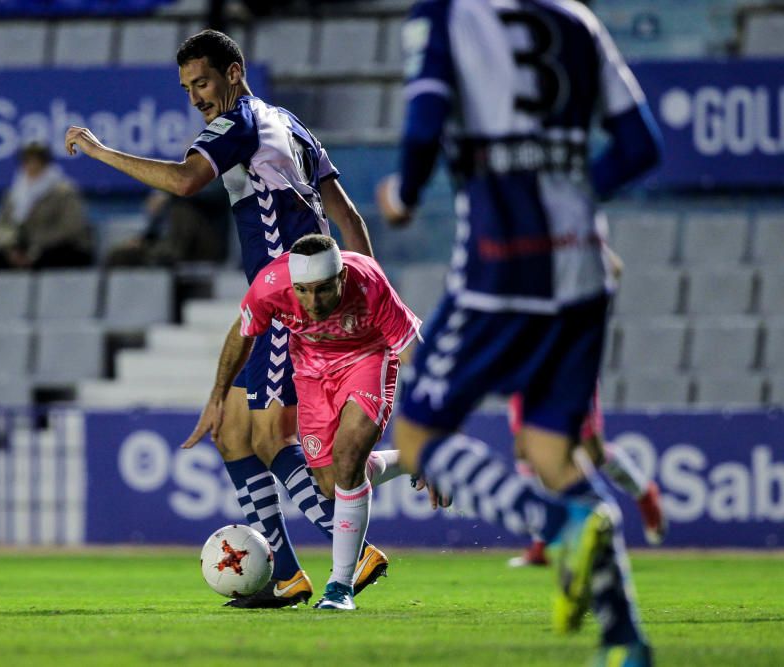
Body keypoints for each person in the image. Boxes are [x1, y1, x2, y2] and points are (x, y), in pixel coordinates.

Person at [375, 1, 662, 664]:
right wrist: (573, 192)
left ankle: (556, 525)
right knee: (555, 452)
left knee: (418, 436)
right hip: (586, 266)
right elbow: (642, 145)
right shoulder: (577, 19)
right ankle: (625, 639)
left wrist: (405, 193)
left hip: (501, 267)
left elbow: (423, 127)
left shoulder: (446, 14)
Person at [65, 29, 387, 609]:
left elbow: (187, 180)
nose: (196, 96)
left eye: (204, 81)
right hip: (292, 297)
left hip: (290, 300)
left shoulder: (237, 123)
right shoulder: (288, 123)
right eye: (187, 87)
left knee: (268, 435)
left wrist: (100, 151)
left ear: (234, 73)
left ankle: (352, 548)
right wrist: (364, 281)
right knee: (232, 431)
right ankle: (286, 575)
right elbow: (344, 212)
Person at [182, 234, 423, 611]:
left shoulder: (369, 281)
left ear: (342, 277)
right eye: (304, 292)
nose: (313, 302)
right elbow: (242, 333)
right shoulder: (270, 286)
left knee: (347, 457)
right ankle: (409, 460)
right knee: (330, 485)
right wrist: (217, 395)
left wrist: (435, 430)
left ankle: (339, 587)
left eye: (324, 290)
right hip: (310, 372)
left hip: (367, 359)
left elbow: (414, 353)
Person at [507, 390, 667, 568]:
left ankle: (643, 493)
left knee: (592, 454)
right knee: (530, 455)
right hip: (528, 378)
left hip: (569, 372)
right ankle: (542, 542)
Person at [0, 142, 93, 271]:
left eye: (36, 162)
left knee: (47, 260)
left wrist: (36, 247)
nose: (31, 166)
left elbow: (70, 227)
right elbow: (2, 225)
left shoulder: (64, 192)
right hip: (24, 248)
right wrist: (12, 247)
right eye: (27, 162)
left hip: (59, 247)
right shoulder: (15, 193)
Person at [104, 180, 232, 267]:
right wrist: (143, 239)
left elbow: (213, 195)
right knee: (119, 255)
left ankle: (165, 255)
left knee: (181, 211)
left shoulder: (223, 175)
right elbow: (158, 220)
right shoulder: (177, 185)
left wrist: (169, 194)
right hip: (167, 245)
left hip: (205, 247)